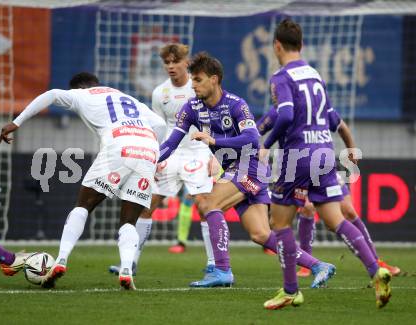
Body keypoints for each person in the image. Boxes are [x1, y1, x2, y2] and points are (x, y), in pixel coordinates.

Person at [159, 52, 336, 288]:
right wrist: (152, 161)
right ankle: (318, 266)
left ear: (214, 79)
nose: (193, 85)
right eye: (192, 80)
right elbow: (171, 142)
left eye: (198, 79)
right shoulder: (191, 108)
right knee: (261, 235)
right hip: (234, 170)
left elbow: (252, 140)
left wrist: (214, 142)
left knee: (208, 203)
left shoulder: (236, 104)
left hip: (250, 167)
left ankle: (222, 270)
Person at [262, 19, 391, 310]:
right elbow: (337, 121)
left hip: (297, 157)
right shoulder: (315, 75)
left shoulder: (281, 77)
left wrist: (264, 145)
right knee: (336, 220)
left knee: (279, 223)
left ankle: (291, 290)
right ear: (302, 45)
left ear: (277, 46)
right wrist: (351, 147)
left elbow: (284, 116)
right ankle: (375, 270)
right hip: (323, 152)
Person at [0, 72, 166, 290]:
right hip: (147, 150)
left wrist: (16, 122)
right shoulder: (127, 97)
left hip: (118, 146)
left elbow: (51, 94)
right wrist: (156, 158)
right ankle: (126, 270)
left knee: (83, 206)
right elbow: (161, 125)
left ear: (77, 88)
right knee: (128, 222)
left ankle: (61, 260)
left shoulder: (82, 95)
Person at [108, 43, 217, 276]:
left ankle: (213, 263)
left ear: (185, 63)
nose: (170, 66)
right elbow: (158, 127)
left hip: (197, 152)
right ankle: (130, 262)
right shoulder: (160, 93)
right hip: (170, 153)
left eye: (174, 61)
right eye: (166, 62)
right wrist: (154, 156)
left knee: (205, 205)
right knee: (147, 205)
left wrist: (212, 156)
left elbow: (212, 123)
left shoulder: (199, 86)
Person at [257, 108, 401, 278]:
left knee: (348, 210)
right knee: (307, 208)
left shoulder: (319, 104)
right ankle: (307, 265)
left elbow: (341, 125)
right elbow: (255, 131)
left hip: (323, 166)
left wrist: (351, 149)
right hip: (295, 169)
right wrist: (260, 152)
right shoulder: (281, 110)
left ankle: (376, 262)